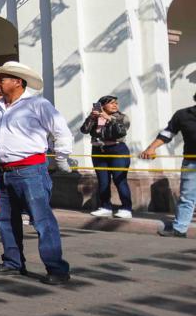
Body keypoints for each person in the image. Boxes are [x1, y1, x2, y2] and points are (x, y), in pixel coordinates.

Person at [0, 61, 74, 285]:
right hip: (2, 171)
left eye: (2, 78)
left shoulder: (37, 104)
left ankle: (56, 268)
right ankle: (13, 262)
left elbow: (61, 131)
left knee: (42, 220)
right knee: (5, 219)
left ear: (17, 82)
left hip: (30, 170)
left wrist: (61, 158)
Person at [142, 95, 196, 238]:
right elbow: (167, 133)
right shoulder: (182, 115)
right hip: (191, 163)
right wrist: (151, 148)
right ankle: (179, 229)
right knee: (187, 197)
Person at [81, 94, 132, 219]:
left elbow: (122, 131)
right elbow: (84, 130)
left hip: (117, 149)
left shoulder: (122, 117)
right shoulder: (96, 117)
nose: (115, 105)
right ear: (102, 105)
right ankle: (105, 207)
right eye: (111, 103)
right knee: (103, 181)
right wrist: (91, 117)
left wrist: (109, 118)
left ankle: (126, 208)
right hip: (98, 150)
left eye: (116, 103)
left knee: (120, 180)